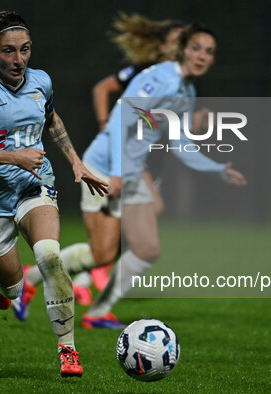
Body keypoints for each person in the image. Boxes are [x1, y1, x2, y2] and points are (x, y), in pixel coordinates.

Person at [0, 11, 107, 377]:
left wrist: (75, 161)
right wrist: (13, 156)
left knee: (49, 255)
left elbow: (50, 117)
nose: (18, 60)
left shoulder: (41, 81)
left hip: (33, 184)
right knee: (13, 290)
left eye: (25, 50)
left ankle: (68, 350)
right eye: (8, 51)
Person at [80, 22, 247, 329]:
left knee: (146, 249)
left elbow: (181, 146)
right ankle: (36, 276)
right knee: (103, 252)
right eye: (196, 48)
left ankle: (96, 312)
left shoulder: (186, 90)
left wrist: (218, 170)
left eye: (209, 52)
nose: (202, 56)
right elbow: (120, 120)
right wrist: (116, 173)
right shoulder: (161, 77)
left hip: (129, 169)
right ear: (183, 48)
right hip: (106, 165)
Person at [72, 13, 186, 304]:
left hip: (144, 157)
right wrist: (103, 122)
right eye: (177, 41)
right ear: (161, 47)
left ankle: (92, 269)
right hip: (125, 157)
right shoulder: (144, 73)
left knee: (143, 215)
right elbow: (103, 89)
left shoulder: (179, 81)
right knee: (141, 215)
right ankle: (90, 271)